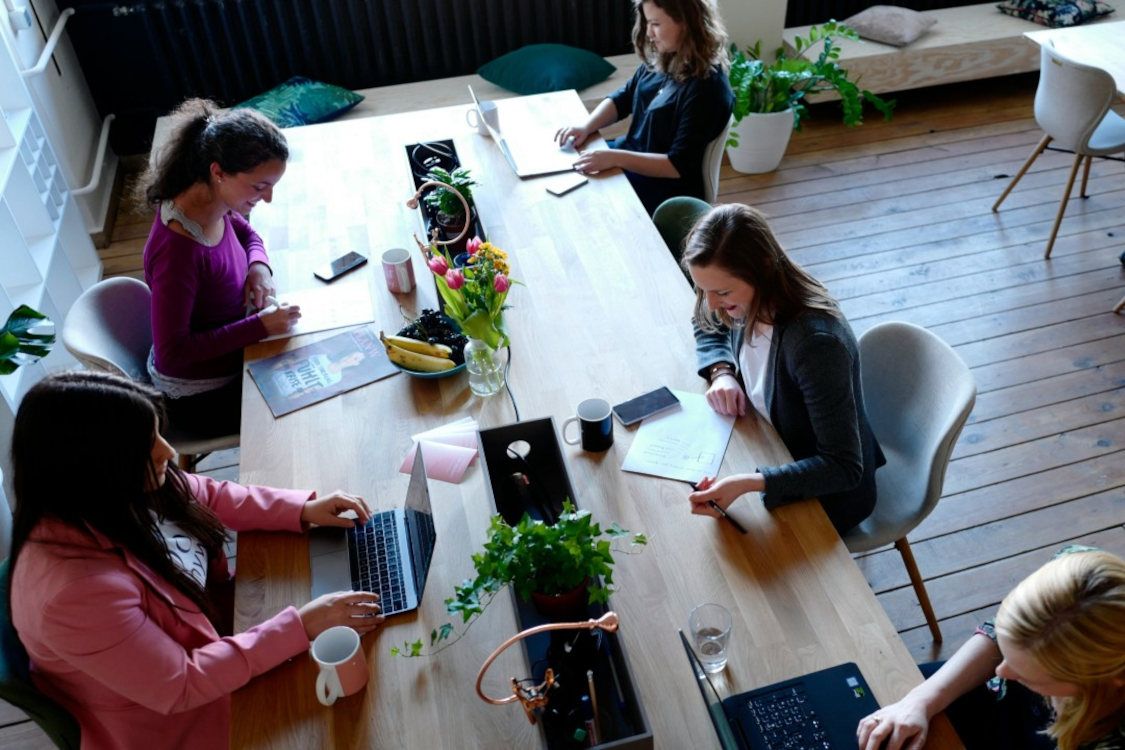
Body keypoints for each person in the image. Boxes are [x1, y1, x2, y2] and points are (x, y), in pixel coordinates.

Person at [8, 371, 382, 749]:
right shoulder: (73, 595)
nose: (168, 452)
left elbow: (208, 494)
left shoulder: (113, 491)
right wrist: (301, 625)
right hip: (178, 719)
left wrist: (301, 509)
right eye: (146, 444)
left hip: (222, 636)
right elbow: (181, 684)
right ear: (93, 467)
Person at [684, 204, 884, 534]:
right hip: (769, 443)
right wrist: (722, 371)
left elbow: (843, 467)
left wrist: (751, 483)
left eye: (722, 292)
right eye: (703, 289)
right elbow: (706, 320)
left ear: (761, 269)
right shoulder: (745, 294)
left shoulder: (815, 345)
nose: (711, 303)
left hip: (827, 494)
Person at [139, 98, 301, 438]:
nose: (267, 198)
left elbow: (244, 231)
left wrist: (259, 266)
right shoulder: (177, 252)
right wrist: (258, 326)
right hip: (202, 396)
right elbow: (174, 353)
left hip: (236, 346)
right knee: (306, 407)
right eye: (259, 187)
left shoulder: (211, 201)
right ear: (218, 172)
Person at [856, 547, 1125, 750]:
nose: (1001, 670)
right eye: (1007, 652)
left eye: (1027, 674)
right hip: (991, 705)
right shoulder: (1076, 569)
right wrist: (921, 700)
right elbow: (997, 634)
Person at [555, 0, 733, 215]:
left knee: (582, 198)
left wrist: (614, 157)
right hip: (631, 158)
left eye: (655, 24)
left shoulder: (707, 89)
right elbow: (623, 98)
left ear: (686, 22)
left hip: (664, 188)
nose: (649, 33)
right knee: (567, 165)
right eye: (648, 23)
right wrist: (586, 127)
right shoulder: (665, 57)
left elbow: (676, 166)